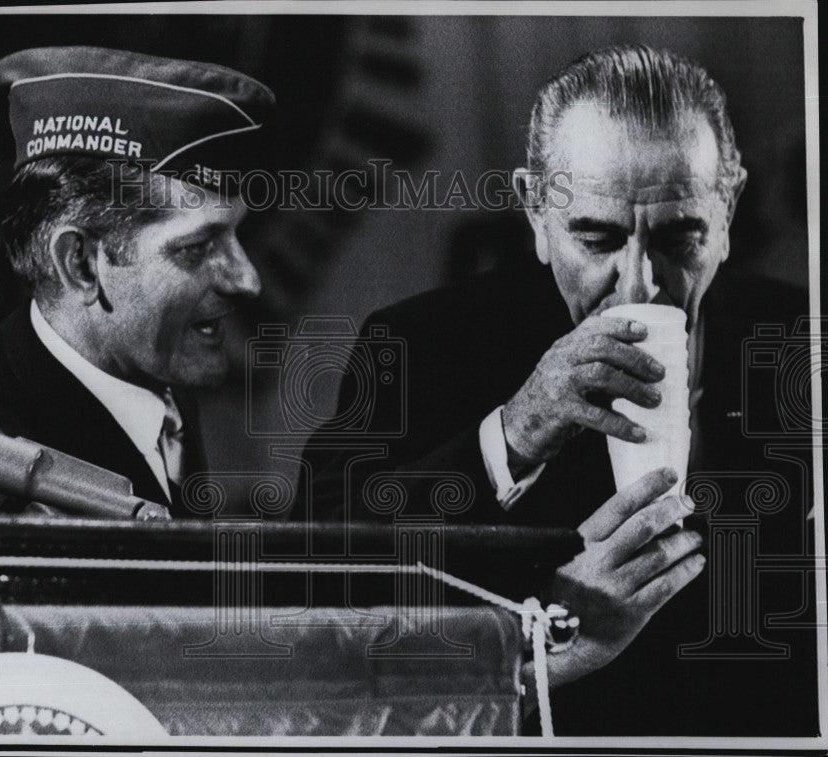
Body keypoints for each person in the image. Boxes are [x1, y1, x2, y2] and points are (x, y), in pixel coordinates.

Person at [299, 45, 817, 735]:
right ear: (536, 213)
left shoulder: (800, 344)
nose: (639, 285)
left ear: (727, 209)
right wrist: (511, 436)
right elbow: (312, 574)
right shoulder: (423, 343)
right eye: (597, 238)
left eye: (678, 235)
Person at [0, 46, 274, 517]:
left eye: (236, 234)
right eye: (197, 246)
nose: (246, 279)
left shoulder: (148, 369)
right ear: (81, 265)